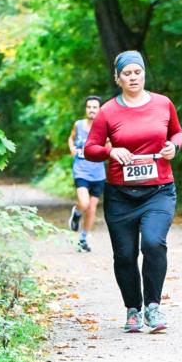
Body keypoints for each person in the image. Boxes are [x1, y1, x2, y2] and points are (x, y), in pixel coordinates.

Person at [84, 51, 182, 334]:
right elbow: (90, 149)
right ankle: (132, 310)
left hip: (159, 190)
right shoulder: (107, 111)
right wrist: (110, 151)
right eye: (126, 73)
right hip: (121, 196)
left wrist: (174, 147)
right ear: (118, 78)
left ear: (144, 74)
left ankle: (153, 307)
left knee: (153, 243)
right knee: (125, 255)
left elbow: (177, 133)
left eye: (137, 72)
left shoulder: (163, 103)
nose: (133, 78)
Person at [68, 95, 106, 252]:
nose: (91, 110)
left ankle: (83, 239)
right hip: (81, 171)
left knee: (91, 208)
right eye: (89, 107)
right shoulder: (78, 125)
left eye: (94, 107)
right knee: (84, 203)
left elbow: (110, 146)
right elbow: (71, 139)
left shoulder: (104, 128)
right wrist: (72, 149)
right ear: (86, 109)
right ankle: (77, 213)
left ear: (99, 109)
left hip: (98, 174)